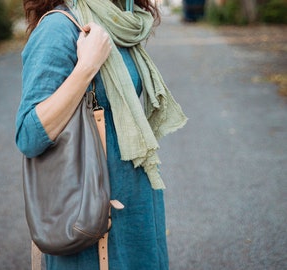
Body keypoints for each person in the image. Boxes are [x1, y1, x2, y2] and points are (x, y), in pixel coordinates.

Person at [15, 0, 187, 269]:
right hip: (93, 211)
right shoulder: (59, 29)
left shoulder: (122, 22)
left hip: (135, 203)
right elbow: (29, 135)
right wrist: (86, 67)